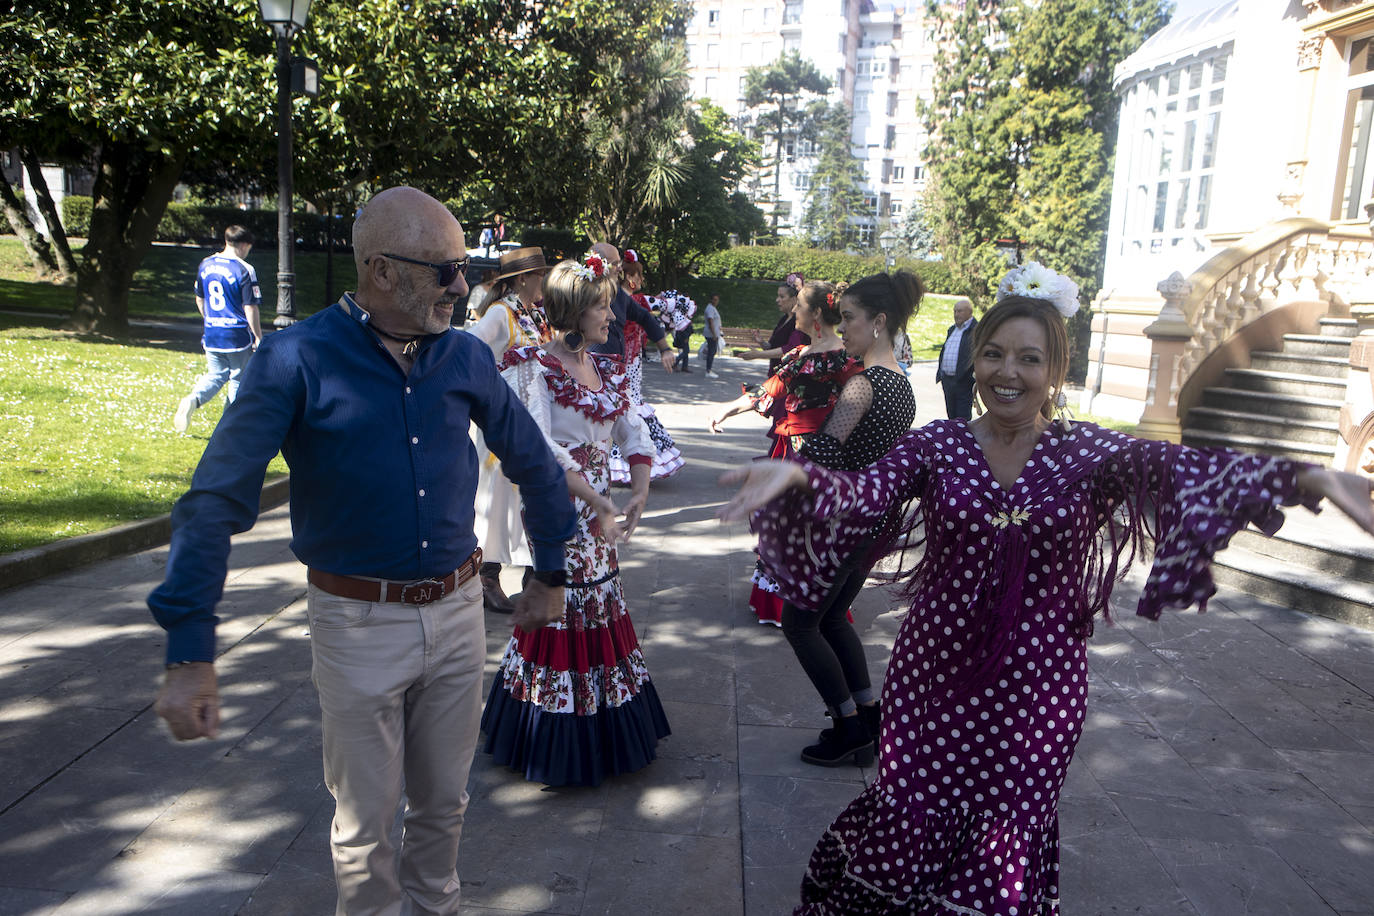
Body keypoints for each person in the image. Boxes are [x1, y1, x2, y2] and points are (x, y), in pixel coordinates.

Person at [718, 261, 1374, 915]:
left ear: (1054, 372)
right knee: (911, 819)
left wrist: (1308, 479)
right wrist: (802, 480)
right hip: (932, 681)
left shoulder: (1087, 453)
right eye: (995, 354)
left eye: (1029, 358)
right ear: (976, 363)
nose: (1009, 371)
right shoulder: (938, 446)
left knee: (1001, 846)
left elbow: (1189, 466)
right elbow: (870, 489)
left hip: (1037, 691)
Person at [147, 187, 577, 916]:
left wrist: (551, 571)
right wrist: (191, 651)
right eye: (444, 270)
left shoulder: (464, 358)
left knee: (444, 807)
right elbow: (214, 500)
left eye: (463, 267)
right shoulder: (294, 359)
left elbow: (535, 462)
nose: (461, 285)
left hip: (458, 613)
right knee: (366, 829)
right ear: (381, 271)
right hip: (355, 625)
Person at [482, 252, 672, 787]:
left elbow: (634, 431)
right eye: (603, 308)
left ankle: (594, 721)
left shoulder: (605, 366)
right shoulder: (531, 367)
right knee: (563, 599)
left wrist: (637, 491)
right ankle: (551, 732)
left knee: (596, 599)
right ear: (574, 309)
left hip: (598, 510)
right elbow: (539, 454)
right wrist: (598, 499)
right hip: (558, 507)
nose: (612, 317)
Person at [777, 272, 922, 767]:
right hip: (873, 523)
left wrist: (789, 464)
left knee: (799, 624)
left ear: (879, 322)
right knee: (833, 617)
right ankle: (868, 713)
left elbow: (824, 454)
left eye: (850, 319)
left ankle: (846, 724)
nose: (845, 329)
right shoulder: (902, 385)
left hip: (841, 525)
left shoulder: (863, 385)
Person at [710, 281, 862, 625]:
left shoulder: (845, 360)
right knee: (780, 526)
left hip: (816, 455)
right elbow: (768, 391)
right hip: (785, 449)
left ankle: (813, 607)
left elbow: (859, 409)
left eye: (799, 307)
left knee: (810, 527)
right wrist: (726, 409)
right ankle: (782, 603)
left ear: (817, 314)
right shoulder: (801, 355)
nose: (793, 311)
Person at [466, 246, 554, 613]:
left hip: (529, 424)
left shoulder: (533, 315)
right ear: (522, 279)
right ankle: (487, 575)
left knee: (524, 498)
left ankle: (531, 576)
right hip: (500, 427)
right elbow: (471, 348)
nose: (544, 283)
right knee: (496, 500)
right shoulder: (501, 314)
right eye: (539, 276)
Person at [173, 225, 263, 432]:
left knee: (216, 374)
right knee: (238, 378)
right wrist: (258, 336)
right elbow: (250, 306)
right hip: (237, 334)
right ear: (243, 245)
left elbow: (199, 298)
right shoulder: (244, 269)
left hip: (212, 331)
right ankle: (229, 425)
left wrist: (209, 320)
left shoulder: (206, 264)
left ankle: (193, 400)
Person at [609, 250, 684, 483]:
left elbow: (666, 310)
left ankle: (622, 465)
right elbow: (675, 304)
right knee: (622, 408)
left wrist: (664, 348)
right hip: (616, 363)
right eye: (639, 276)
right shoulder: (633, 299)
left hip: (628, 363)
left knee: (626, 408)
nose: (641, 281)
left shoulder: (630, 300)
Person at [587, 242, 676, 373]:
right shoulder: (580, 295)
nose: (620, 268)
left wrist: (665, 349)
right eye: (615, 264)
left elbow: (645, 316)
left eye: (620, 263)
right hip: (591, 369)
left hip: (614, 370)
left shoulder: (619, 295)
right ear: (597, 264)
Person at [738, 282, 810, 375]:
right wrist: (762, 342)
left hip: (789, 375)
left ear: (794, 299)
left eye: (782, 297)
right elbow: (771, 347)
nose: (777, 300)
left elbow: (791, 349)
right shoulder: (784, 319)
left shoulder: (798, 321)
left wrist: (758, 354)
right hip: (775, 373)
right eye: (778, 296)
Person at [936, 296, 977, 419]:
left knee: (962, 419)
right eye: (955, 311)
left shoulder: (975, 329)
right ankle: (952, 438)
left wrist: (968, 377)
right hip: (947, 381)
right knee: (951, 416)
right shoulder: (952, 329)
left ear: (969, 312)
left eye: (960, 311)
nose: (956, 314)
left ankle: (962, 439)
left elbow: (977, 355)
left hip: (964, 382)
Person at [702, 293, 724, 379]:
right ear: (711, 300)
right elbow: (710, 321)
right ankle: (708, 370)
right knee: (711, 352)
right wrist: (714, 334)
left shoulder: (713, 308)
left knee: (712, 351)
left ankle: (709, 369)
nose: (716, 301)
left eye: (717, 299)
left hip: (714, 333)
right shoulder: (710, 309)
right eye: (714, 299)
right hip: (711, 334)